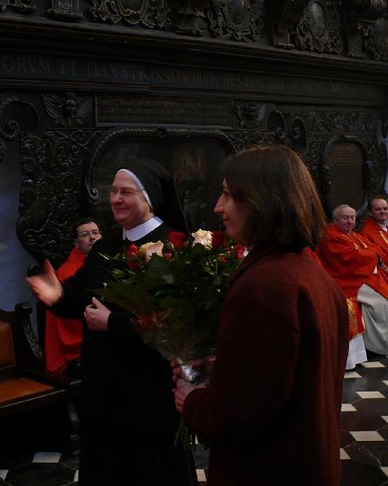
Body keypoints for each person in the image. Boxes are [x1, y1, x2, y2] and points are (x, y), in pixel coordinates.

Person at [173, 145, 349, 486]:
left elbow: (243, 416)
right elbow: (288, 374)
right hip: (309, 461)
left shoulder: (263, 286)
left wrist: (192, 401)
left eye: (227, 195)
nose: (218, 208)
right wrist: (220, 366)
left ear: (260, 200)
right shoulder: (306, 268)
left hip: (270, 468)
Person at [27, 159, 195, 485]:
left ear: (149, 199)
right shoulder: (106, 245)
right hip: (104, 396)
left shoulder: (171, 245)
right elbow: (81, 297)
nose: (115, 198)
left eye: (125, 192)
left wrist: (113, 323)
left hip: (147, 397)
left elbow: (173, 323)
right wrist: (56, 295)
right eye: (113, 190)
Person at [316, 204, 388, 357]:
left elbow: (374, 249)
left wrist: (368, 253)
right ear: (336, 220)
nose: (350, 221)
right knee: (380, 305)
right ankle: (378, 346)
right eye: (345, 218)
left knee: (381, 301)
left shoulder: (353, 235)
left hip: (361, 276)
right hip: (345, 280)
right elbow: (351, 259)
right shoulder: (331, 236)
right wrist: (370, 253)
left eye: (353, 218)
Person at [44, 217, 102, 374]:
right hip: (80, 347)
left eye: (95, 232)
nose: (92, 237)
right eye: (85, 234)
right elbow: (71, 316)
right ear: (76, 243)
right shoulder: (67, 273)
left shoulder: (104, 262)